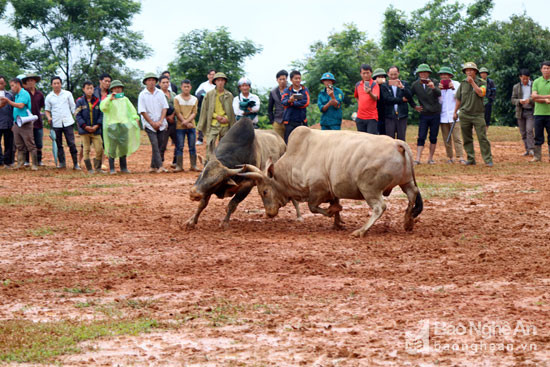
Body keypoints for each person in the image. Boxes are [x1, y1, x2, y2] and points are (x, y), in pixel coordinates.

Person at [453, 62, 493, 167]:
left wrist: (472, 83)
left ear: (475, 71)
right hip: (464, 114)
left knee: (482, 137)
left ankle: (487, 159)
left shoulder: (482, 82)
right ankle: (470, 158)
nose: (469, 72)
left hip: (478, 115)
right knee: (466, 138)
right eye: (467, 70)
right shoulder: (462, 84)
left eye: (471, 70)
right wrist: (455, 112)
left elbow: (481, 93)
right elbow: (458, 99)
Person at [99, 80, 140, 174]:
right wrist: (110, 99)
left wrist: (135, 118)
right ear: (112, 89)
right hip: (112, 126)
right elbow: (103, 108)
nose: (117, 89)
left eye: (119, 88)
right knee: (112, 148)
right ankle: (112, 168)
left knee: (123, 147)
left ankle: (123, 167)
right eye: (115, 88)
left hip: (123, 125)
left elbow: (132, 110)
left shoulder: (125, 99)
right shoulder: (108, 99)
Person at [0, 77, 37, 170]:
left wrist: (8, 101)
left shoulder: (24, 93)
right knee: (19, 145)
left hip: (25, 122)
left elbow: (20, 106)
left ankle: (34, 164)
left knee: (30, 144)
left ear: (18, 84)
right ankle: (20, 163)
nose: (11, 88)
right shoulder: (16, 95)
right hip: (17, 122)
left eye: (12, 85)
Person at [197, 72, 235, 161]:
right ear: (215, 82)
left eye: (222, 80)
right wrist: (216, 116)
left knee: (225, 145)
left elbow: (232, 110)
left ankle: (224, 164)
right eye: (218, 80)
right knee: (209, 144)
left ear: (225, 82)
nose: (220, 82)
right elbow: (205, 110)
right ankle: (209, 164)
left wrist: (226, 118)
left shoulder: (229, 95)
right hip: (213, 124)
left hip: (225, 124)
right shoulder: (209, 94)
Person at [45, 76, 79, 170]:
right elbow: (47, 110)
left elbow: (73, 107)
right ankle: (62, 163)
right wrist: (49, 117)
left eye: (58, 83)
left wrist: (77, 116)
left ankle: (75, 163)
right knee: (58, 144)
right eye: (54, 83)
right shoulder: (49, 97)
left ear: (61, 84)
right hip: (56, 123)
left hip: (68, 122)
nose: (56, 85)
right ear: (52, 85)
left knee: (71, 143)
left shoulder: (67, 94)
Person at [410, 63, 441, 164]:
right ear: (419, 74)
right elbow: (409, 96)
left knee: (433, 136)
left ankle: (430, 158)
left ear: (428, 73)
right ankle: (418, 159)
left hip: (435, 113)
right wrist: (414, 106)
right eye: (421, 73)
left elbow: (439, 94)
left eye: (425, 72)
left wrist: (433, 87)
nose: (423, 74)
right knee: (421, 136)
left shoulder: (435, 82)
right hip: (424, 114)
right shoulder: (415, 85)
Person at [138, 72, 169, 173]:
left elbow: (165, 107)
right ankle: (160, 166)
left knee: (160, 145)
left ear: (156, 82)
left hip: (161, 124)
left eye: (153, 80)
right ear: (145, 82)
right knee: (155, 144)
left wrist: (160, 121)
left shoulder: (160, 93)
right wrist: (152, 123)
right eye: (149, 80)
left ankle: (153, 166)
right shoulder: (142, 95)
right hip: (149, 124)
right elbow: (142, 111)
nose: (151, 82)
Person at [437, 67, 465, 164]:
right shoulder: (439, 86)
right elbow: (439, 101)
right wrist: (439, 91)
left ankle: (460, 156)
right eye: (442, 74)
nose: (443, 76)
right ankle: (450, 157)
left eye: (445, 74)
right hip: (443, 116)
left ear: (450, 75)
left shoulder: (457, 84)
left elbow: (460, 98)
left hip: (454, 114)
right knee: (446, 138)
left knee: (457, 137)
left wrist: (453, 88)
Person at [75, 80, 103, 173]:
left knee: (99, 149)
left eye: (91, 88)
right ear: (83, 89)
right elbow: (77, 115)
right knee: (86, 149)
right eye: (87, 88)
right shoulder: (80, 101)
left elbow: (101, 114)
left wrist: (97, 125)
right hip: (84, 130)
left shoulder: (97, 101)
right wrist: (84, 126)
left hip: (96, 129)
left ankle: (98, 167)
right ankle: (89, 168)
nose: (89, 90)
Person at [381, 66, 414, 141]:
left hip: (402, 115)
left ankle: (401, 153)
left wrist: (402, 88)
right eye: (391, 74)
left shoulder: (404, 84)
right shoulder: (384, 85)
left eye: (395, 74)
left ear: (398, 73)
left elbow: (409, 96)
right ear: (388, 74)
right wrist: (401, 100)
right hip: (389, 115)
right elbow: (387, 99)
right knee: (389, 139)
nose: (393, 76)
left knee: (401, 139)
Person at [174, 79, 199, 172]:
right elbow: (177, 111)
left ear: (190, 87)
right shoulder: (177, 98)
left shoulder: (194, 99)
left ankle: (193, 165)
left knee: (192, 146)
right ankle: (179, 166)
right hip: (180, 127)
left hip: (191, 126)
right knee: (180, 146)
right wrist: (184, 122)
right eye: (184, 86)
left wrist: (186, 122)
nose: (186, 88)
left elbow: (194, 112)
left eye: (188, 87)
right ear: (181, 87)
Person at [22, 73, 45, 166]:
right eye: (28, 81)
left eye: (32, 80)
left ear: (35, 81)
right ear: (26, 83)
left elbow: (41, 106)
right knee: (27, 141)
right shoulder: (23, 93)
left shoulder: (40, 94)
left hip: (38, 121)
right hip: (27, 121)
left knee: (38, 142)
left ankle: (38, 160)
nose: (30, 82)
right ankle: (27, 161)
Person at [281, 70, 310, 143]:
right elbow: (283, 102)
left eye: (299, 78)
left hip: (302, 121)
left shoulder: (305, 90)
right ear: (291, 80)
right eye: (296, 78)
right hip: (289, 121)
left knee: (303, 142)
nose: (298, 80)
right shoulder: (287, 90)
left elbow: (306, 103)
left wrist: (292, 103)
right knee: (289, 142)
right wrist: (289, 101)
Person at [511, 69, 535, 157]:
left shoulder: (533, 85)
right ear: (520, 77)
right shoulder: (516, 87)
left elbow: (536, 97)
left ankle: (532, 149)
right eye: (523, 78)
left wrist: (530, 100)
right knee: (523, 132)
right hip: (520, 111)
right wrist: (519, 101)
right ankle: (527, 149)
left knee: (529, 130)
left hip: (531, 111)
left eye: (526, 78)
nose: (525, 80)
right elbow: (513, 99)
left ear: (529, 78)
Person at [531, 60, 550, 162]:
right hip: (538, 113)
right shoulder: (536, 81)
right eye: (544, 68)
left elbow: (536, 96)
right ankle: (537, 157)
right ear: (541, 70)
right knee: (538, 135)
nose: (546, 70)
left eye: (548, 68)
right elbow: (533, 97)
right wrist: (545, 99)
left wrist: (539, 96)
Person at [354, 64, 379, 134]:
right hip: (360, 116)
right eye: (363, 73)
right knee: (361, 139)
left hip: (372, 117)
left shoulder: (374, 84)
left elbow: (375, 98)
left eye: (367, 73)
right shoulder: (358, 85)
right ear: (360, 74)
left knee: (371, 139)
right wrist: (360, 104)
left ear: (371, 73)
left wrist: (369, 92)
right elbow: (356, 96)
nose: (365, 75)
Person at [158, 75, 177, 167]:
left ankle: (175, 162)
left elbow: (177, 106)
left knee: (178, 143)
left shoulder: (173, 94)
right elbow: (157, 109)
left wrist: (172, 116)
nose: (165, 84)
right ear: (159, 84)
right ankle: (160, 163)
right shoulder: (157, 95)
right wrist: (165, 118)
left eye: (167, 82)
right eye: (163, 83)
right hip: (163, 122)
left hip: (174, 121)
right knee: (162, 145)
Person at [195, 69, 216, 145]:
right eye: (210, 74)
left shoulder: (217, 85)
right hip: (204, 106)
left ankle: (212, 139)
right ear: (208, 76)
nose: (212, 76)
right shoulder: (203, 85)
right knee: (202, 121)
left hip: (215, 106)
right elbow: (197, 93)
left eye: (213, 74)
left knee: (214, 122)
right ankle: (200, 139)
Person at [267, 70, 288, 139]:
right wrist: (272, 121)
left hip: (289, 121)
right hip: (278, 121)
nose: (282, 81)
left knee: (290, 142)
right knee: (279, 142)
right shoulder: (273, 92)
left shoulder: (291, 90)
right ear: (277, 80)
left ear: (286, 79)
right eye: (280, 79)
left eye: (284, 79)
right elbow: (270, 108)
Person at [0, 75, 14, 168]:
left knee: (8, 143)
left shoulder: (10, 95)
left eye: (2, 83)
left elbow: (14, 109)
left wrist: (13, 122)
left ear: (5, 83)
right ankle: (0, 161)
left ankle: (7, 161)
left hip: (8, 122)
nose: (0, 85)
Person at [373, 68, 387, 135]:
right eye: (379, 77)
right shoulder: (372, 86)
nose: (381, 78)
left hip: (385, 113)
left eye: (382, 77)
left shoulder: (387, 87)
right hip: (374, 113)